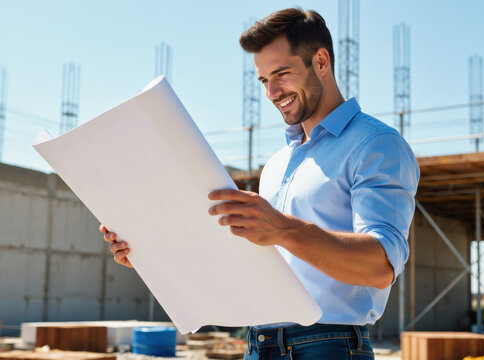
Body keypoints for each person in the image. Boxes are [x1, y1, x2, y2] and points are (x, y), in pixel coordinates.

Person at [102, 8, 419, 360]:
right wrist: (152, 254)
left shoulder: (375, 144)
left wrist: (284, 229)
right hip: (258, 345)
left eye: (281, 74)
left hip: (328, 347)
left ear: (321, 61)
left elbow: (380, 266)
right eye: (264, 80)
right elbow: (250, 267)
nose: (272, 91)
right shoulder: (277, 165)